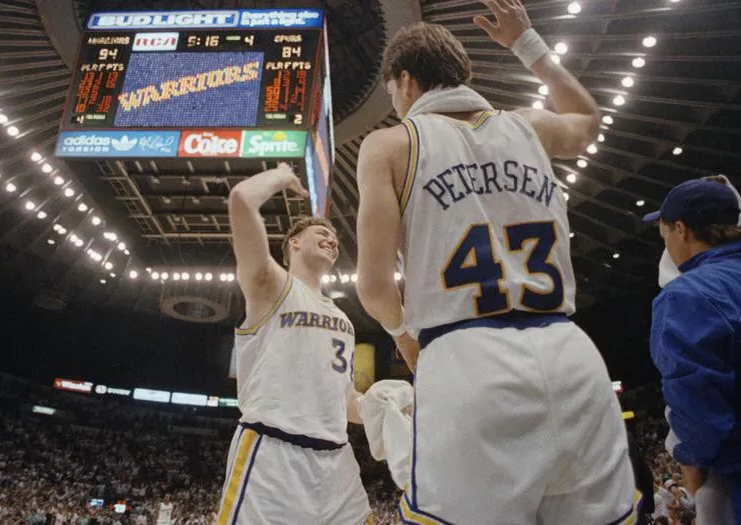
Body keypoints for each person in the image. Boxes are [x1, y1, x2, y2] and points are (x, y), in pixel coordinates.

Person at [354, 0, 636, 523]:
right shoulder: (529, 125)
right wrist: (528, 45)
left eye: (392, 89)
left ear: (405, 80)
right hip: (571, 356)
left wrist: (404, 337)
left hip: (468, 362)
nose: (393, 101)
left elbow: (373, 286)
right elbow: (587, 120)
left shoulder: (390, 145)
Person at [216, 163, 372, 524]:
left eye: (334, 237)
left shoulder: (344, 320)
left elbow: (345, 400)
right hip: (273, 453)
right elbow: (241, 200)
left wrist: (388, 412)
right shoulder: (273, 287)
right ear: (294, 243)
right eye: (322, 232)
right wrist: (284, 175)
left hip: (336, 459)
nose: (332, 239)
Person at [644, 177, 741, 524]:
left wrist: (700, 490)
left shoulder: (686, 295)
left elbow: (697, 408)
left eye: (664, 234)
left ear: (682, 230)